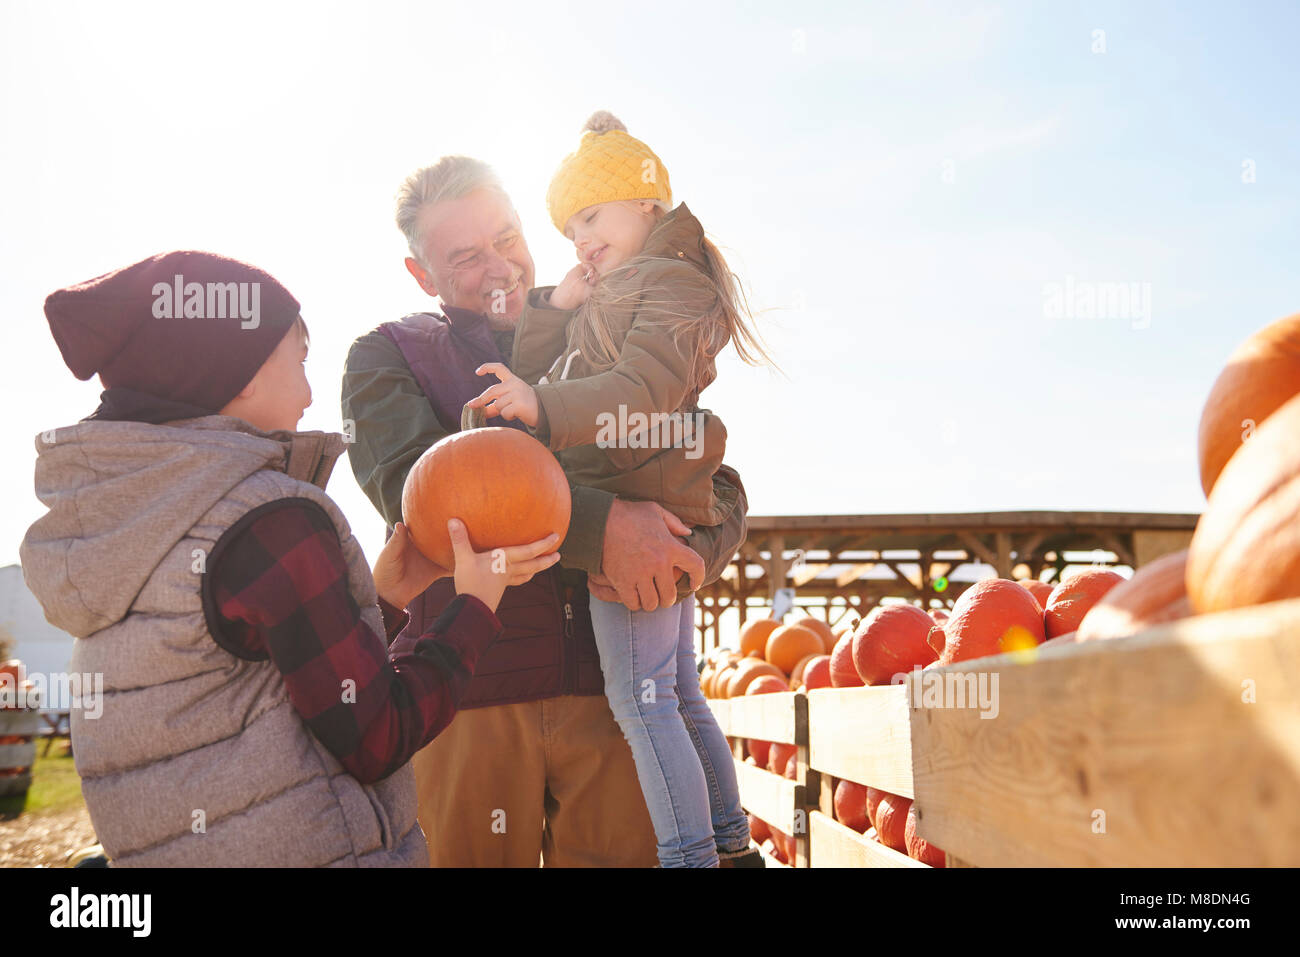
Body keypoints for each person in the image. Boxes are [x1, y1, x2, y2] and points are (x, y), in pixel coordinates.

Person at [19, 250, 558, 867]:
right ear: (241, 371)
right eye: (299, 363)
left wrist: (379, 604)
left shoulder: (123, 527)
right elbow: (378, 736)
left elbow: (258, 688)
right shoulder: (272, 519)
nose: (308, 392)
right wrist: (472, 609)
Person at [341, 155, 751, 866]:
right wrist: (607, 530)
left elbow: (708, 470)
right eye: (466, 255)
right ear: (422, 275)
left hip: (612, 696)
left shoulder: (607, 328)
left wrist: (684, 551)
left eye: (506, 236)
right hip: (466, 696)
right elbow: (432, 500)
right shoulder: (387, 357)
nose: (499, 265)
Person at [468, 112, 772, 867]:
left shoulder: (673, 286)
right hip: (647, 498)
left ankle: (689, 855)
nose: (580, 239)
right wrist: (558, 311)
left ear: (645, 205)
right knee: (673, 690)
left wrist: (543, 409)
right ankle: (730, 843)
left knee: (643, 704)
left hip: (637, 506)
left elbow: (637, 392)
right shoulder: (633, 283)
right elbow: (554, 378)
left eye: (591, 216)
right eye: (570, 227)